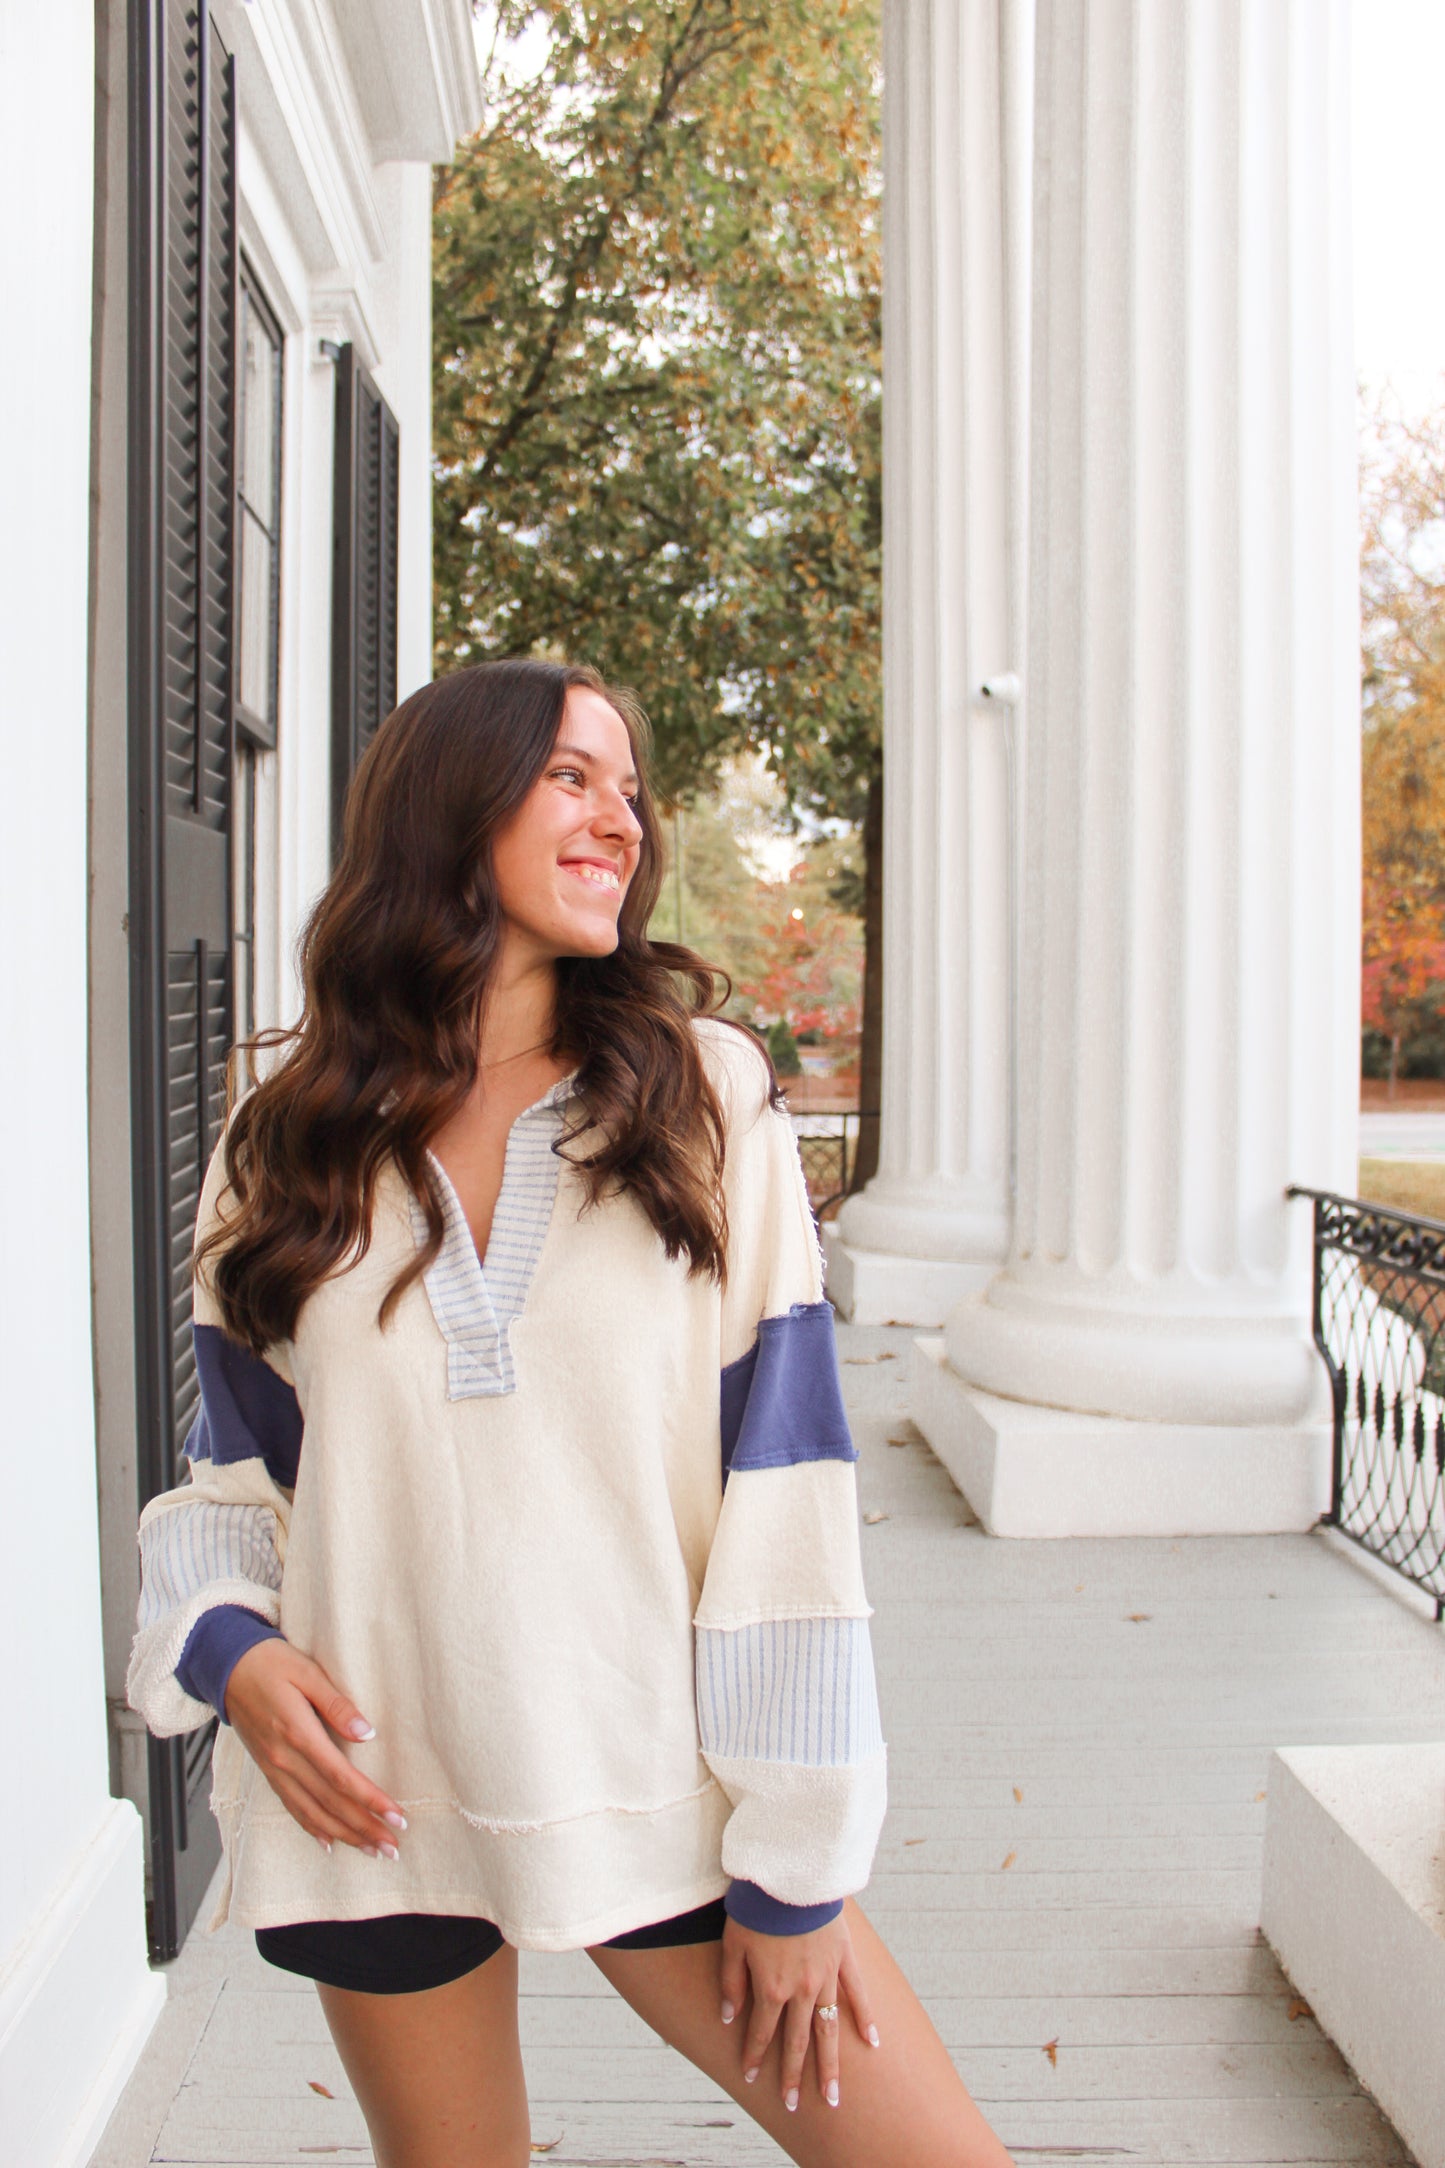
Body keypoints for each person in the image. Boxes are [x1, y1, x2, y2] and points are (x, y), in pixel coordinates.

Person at [127, 659, 1013, 2168]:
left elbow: (784, 1488)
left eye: (629, 786)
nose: (623, 818)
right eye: (571, 778)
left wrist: (795, 1866)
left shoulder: (699, 1096)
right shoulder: (284, 1128)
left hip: (662, 1781)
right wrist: (236, 1653)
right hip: (377, 1793)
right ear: (445, 809)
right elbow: (236, 1483)